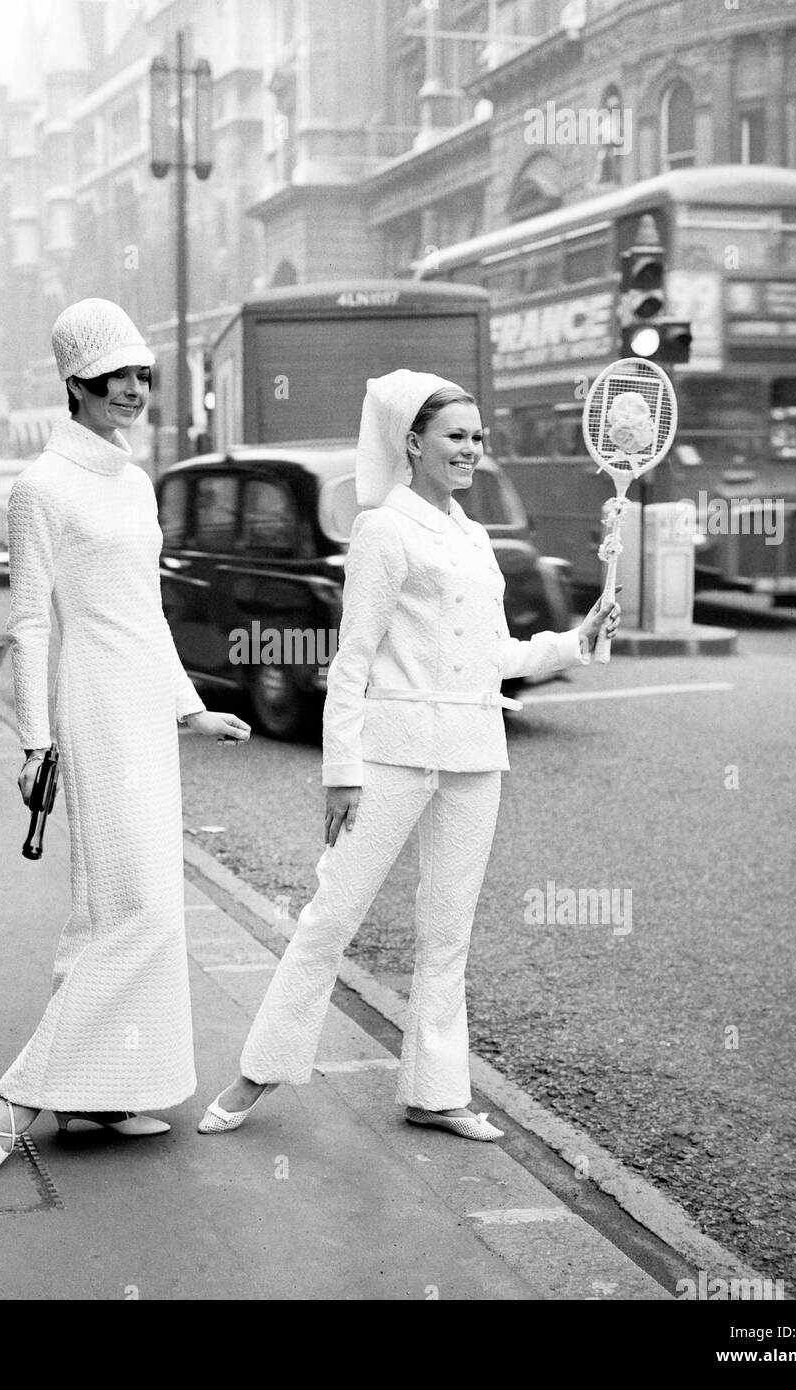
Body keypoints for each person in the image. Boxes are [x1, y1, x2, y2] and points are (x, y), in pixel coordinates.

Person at [198, 370, 620, 1141]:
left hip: (473, 753)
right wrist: (340, 773)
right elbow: (351, 660)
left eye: (477, 437)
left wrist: (575, 641)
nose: (471, 449)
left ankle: (435, 1092)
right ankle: (254, 1074)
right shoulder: (383, 531)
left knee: (447, 932)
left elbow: (497, 653)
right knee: (331, 918)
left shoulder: (473, 537)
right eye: (457, 436)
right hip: (390, 759)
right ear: (414, 444)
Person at [0, 298, 252, 1180]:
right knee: (129, 907)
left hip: (143, 706)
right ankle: (20, 1096)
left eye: (141, 376)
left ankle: (102, 1098)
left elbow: (149, 612)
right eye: (116, 379)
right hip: (91, 702)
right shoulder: (39, 488)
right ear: (76, 385)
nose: (134, 391)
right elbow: (30, 625)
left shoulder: (134, 483)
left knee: (128, 905)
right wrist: (34, 743)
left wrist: (188, 707)